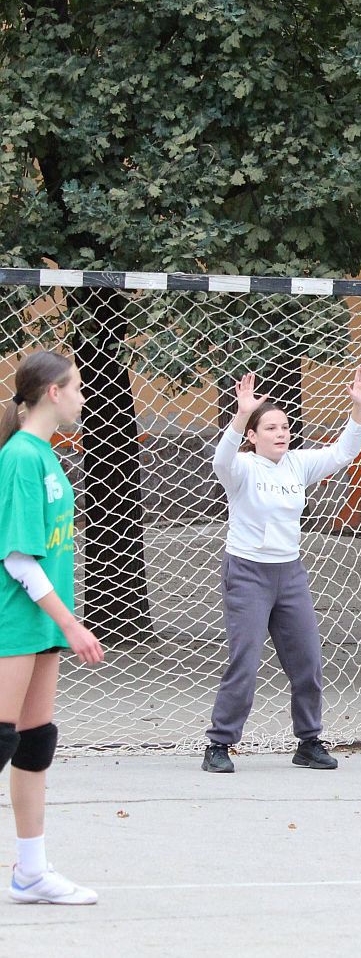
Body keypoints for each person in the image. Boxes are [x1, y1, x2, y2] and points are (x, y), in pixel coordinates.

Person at [202, 366, 361, 772]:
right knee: (245, 662)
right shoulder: (241, 468)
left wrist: (359, 408)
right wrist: (242, 412)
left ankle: (309, 742)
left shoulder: (298, 464)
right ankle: (219, 745)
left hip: (290, 575)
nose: (281, 433)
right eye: (271, 428)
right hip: (247, 574)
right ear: (252, 436)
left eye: (285, 427)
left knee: (308, 662)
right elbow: (220, 459)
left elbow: (343, 452)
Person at [0, 351, 106, 905]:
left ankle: (31, 872)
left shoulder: (46, 454)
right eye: (78, 388)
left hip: (41, 623)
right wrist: (73, 623)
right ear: (53, 393)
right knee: (2, 737)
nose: (84, 398)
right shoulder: (21, 456)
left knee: (35, 741)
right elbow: (19, 557)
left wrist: (60, 620)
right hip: (14, 621)